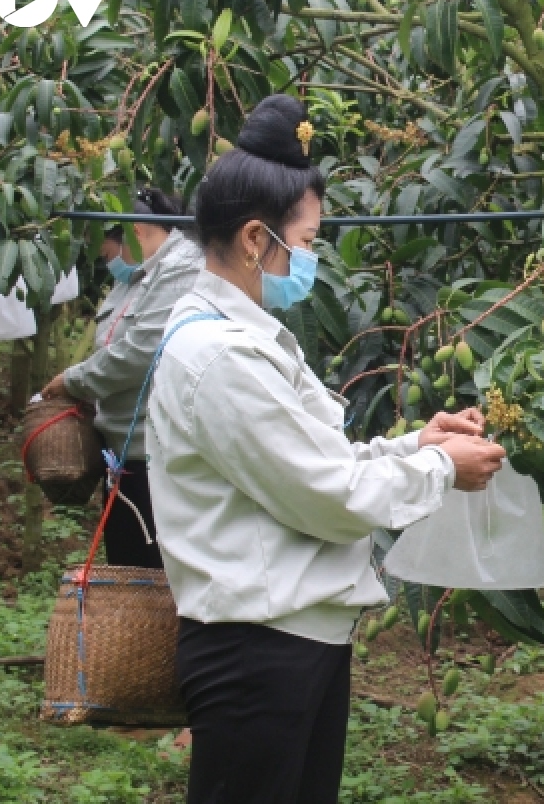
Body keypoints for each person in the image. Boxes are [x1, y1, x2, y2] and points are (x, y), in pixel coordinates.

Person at [144, 94, 508, 804]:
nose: (312, 258)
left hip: (292, 640)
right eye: (306, 241)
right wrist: (439, 469)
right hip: (257, 652)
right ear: (256, 239)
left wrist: (417, 443)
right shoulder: (219, 358)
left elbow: (319, 463)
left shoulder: (244, 340)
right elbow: (326, 495)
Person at [41, 187, 202, 569]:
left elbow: (141, 352)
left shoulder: (181, 269)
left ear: (137, 232)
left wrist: (75, 381)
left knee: (151, 572)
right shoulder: (138, 275)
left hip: (155, 453)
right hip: (124, 451)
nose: (110, 263)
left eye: (110, 253)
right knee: (127, 567)